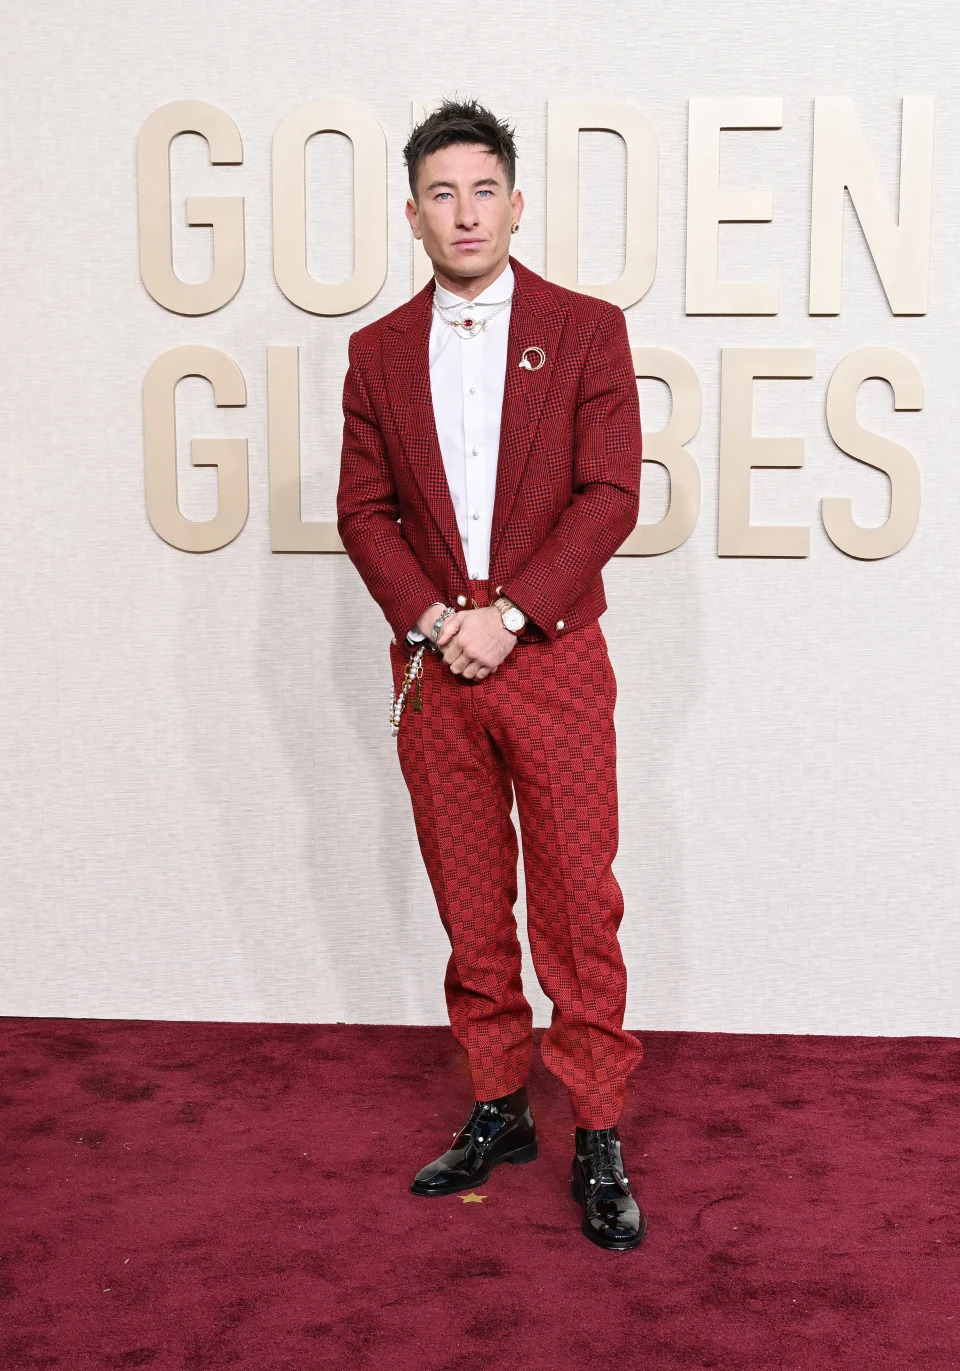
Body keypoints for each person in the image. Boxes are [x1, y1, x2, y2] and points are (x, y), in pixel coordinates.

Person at [336, 97, 646, 1251]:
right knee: (471, 903)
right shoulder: (374, 353)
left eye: (482, 191)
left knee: (577, 902)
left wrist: (510, 615)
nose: (463, 213)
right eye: (439, 194)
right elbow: (362, 510)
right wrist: (431, 617)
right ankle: (500, 1105)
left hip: (552, 658)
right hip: (434, 669)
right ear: (412, 215)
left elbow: (610, 492)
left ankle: (599, 1129)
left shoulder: (584, 329)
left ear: (516, 203)